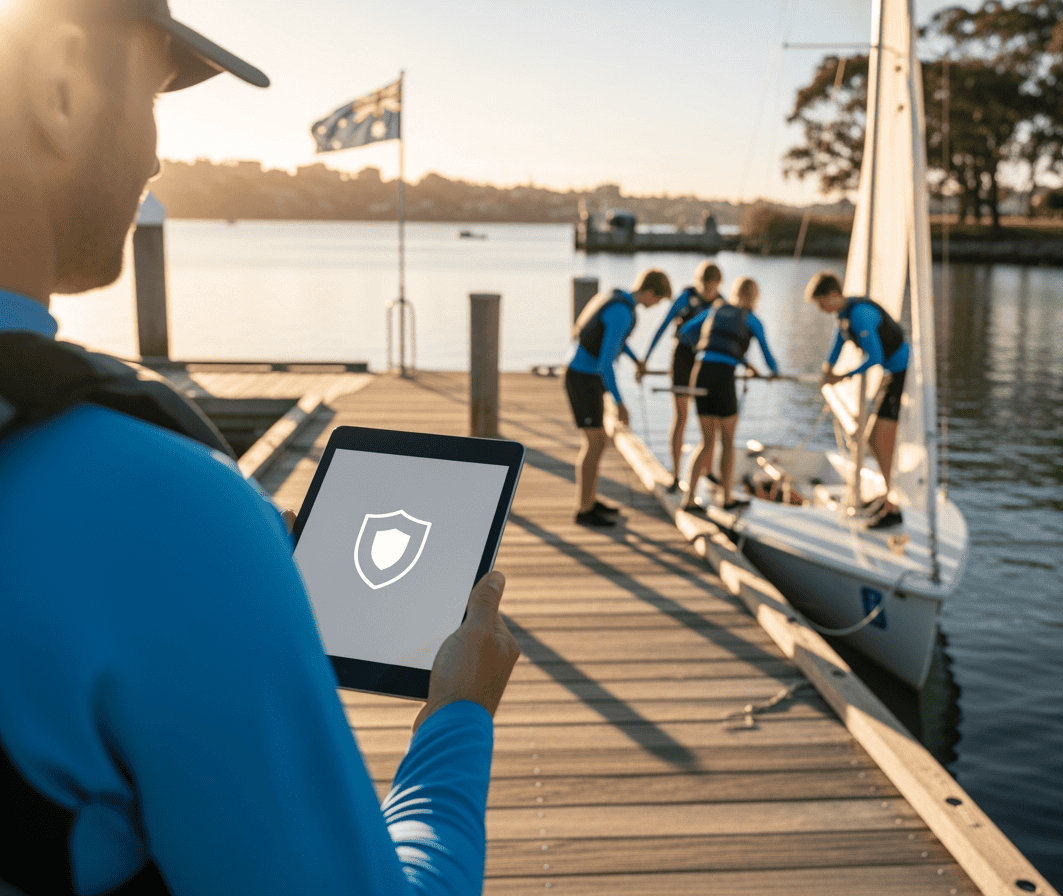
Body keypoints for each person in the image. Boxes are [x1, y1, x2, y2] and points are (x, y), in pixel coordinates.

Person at [0, 2, 520, 894]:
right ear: (59, 87)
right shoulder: (157, 509)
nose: (156, 156)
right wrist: (459, 717)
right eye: (152, 98)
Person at [563, 268, 671, 527]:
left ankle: (589, 499)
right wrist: (620, 403)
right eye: (658, 300)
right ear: (649, 293)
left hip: (585, 375)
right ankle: (584, 509)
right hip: (582, 377)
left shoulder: (620, 298)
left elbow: (616, 342)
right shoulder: (622, 312)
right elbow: (605, 365)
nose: (656, 306)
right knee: (595, 441)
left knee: (598, 441)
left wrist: (636, 361)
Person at [805, 270, 909, 529]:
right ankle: (888, 498)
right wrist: (828, 367)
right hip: (892, 375)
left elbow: (875, 357)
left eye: (821, 303)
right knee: (875, 439)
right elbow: (838, 342)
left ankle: (892, 504)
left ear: (833, 296)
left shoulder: (859, 314)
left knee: (877, 438)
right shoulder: (844, 316)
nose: (820, 309)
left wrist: (843, 376)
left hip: (901, 374)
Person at [677, 276, 778, 512]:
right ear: (754, 297)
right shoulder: (751, 319)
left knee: (706, 441)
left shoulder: (715, 309)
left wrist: (708, 348)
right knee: (728, 442)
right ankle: (726, 498)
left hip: (700, 371)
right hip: (723, 377)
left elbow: (685, 332)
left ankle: (689, 498)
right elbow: (767, 353)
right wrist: (774, 372)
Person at [637, 260, 723, 490]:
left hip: (706, 361)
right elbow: (663, 327)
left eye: (713, 287)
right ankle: (675, 475)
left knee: (711, 421)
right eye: (705, 286)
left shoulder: (721, 303)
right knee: (682, 417)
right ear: (699, 282)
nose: (708, 291)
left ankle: (708, 470)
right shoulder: (685, 298)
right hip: (683, 359)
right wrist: (645, 359)